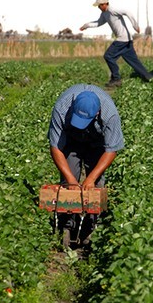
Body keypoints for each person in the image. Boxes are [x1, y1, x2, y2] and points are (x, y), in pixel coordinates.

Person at [48, 84, 124, 245]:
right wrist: (71, 179)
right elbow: (55, 146)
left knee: (95, 185)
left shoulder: (110, 114)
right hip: (71, 141)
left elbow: (111, 149)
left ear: (97, 113)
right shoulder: (62, 108)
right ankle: (67, 223)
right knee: (69, 183)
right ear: (73, 106)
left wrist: (91, 178)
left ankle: (91, 225)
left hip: (97, 143)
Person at [80, 0, 153, 87]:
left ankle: (116, 79)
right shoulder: (104, 14)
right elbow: (98, 23)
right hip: (127, 40)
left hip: (122, 39)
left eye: (99, 6)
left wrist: (135, 26)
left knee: (108, 56)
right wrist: (86, 25)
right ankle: (150, 78)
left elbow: (127, 12)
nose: (98, 8)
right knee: (134, 61)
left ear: (105, 4)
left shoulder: (113, 10)